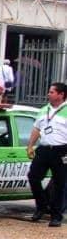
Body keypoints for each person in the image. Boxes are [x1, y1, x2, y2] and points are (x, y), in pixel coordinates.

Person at [26, 82, 67, 227]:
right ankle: (41, 205)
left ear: (61, 95)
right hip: (44, 149)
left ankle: (56, 216)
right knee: (33, 177)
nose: (48, 94)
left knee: (59, 183)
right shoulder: (44, 110)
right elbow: (37, 129)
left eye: (52, 92)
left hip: (61, 150)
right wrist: (30, 145)